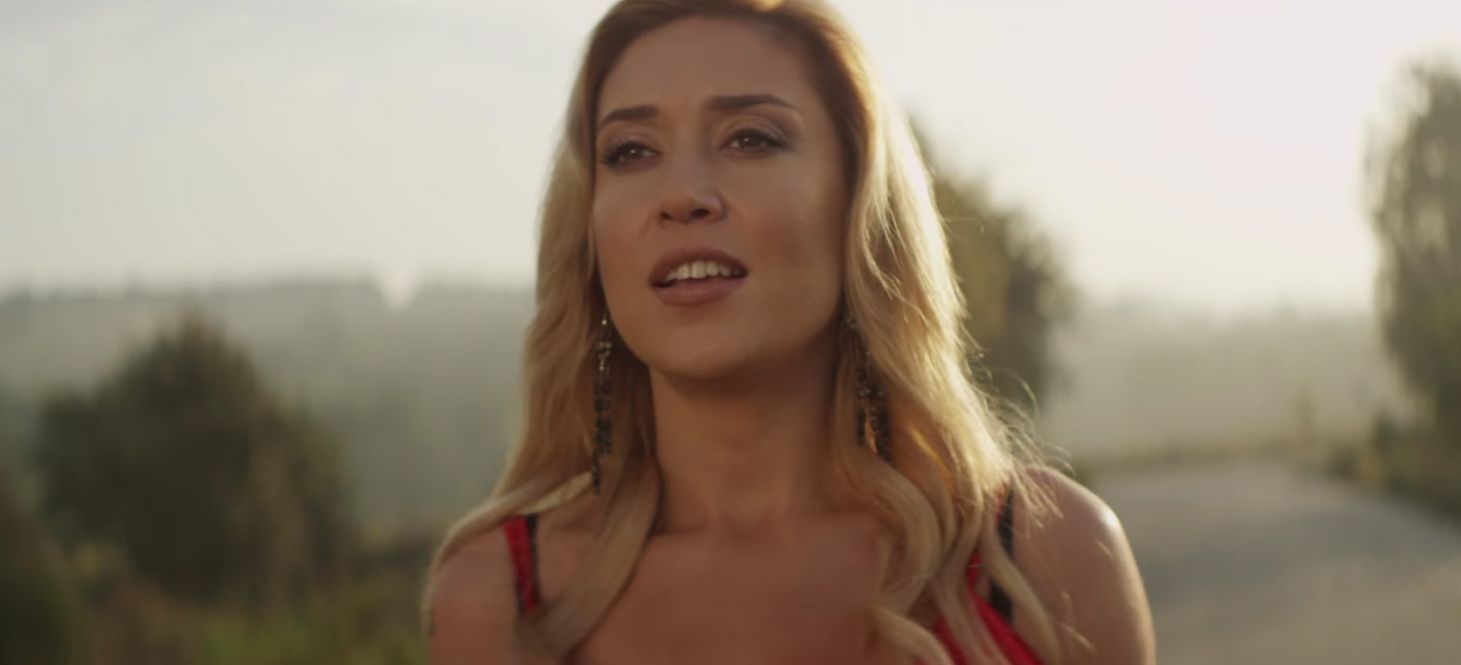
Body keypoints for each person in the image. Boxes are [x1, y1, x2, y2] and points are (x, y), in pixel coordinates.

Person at [423, 0, 1155, 662]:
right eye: (631, 151)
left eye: (750, 138)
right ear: (588, 233)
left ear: (856, 203)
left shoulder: (1041, 561)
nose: (682, 195)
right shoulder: (499, 599)